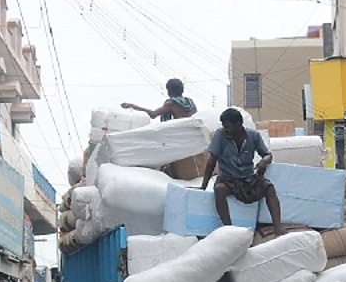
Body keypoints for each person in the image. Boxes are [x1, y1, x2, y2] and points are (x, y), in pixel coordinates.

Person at [200, 107, 286, 237]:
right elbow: (212, 161)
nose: (225, 129)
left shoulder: (253, 136)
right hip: (228, 178)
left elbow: (268, 155)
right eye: (223, 126)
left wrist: (264, 161)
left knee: (269, 187)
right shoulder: (220, 135)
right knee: (219, 189)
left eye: (228, 126)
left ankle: (278, 228)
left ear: (238, 124)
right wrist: (203, 186)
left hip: (248, 178)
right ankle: (229, 229)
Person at [121, 78, 197, 121]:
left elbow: (153, 114)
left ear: (169, 91)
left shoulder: (171, 103)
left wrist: (132, 106)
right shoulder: (190, 102)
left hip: (178, 133)